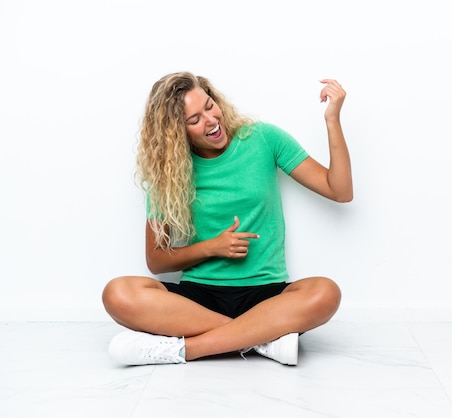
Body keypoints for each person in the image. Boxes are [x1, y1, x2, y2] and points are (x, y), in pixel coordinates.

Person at [102, 71, 352, 366]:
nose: (210, 120)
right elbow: (157, 260)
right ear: (176, 132)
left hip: (266, 297)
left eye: (209, 106)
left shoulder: (263, 139)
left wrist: (332, 121)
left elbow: (340, 191)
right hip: (197, 300)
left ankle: (187, 350)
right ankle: (263, 340)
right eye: (194, 120)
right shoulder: (167, 173)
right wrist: (212, 247)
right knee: (117, 293)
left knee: (325, 293)